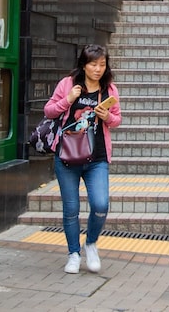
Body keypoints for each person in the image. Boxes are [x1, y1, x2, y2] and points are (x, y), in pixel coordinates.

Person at [44, 44, 123, 275]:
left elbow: (117, 120)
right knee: (71, 209)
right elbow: (49, 111)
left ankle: (90, 243)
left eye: (102, 64)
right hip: (67, 156)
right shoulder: (68, 84)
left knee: (100, 205)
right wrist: (67, 100)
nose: (98, 69)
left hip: (97, 158)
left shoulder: (109, 89)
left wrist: (107, 116)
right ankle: (73, 254)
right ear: (83, 64)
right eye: (93, 64)